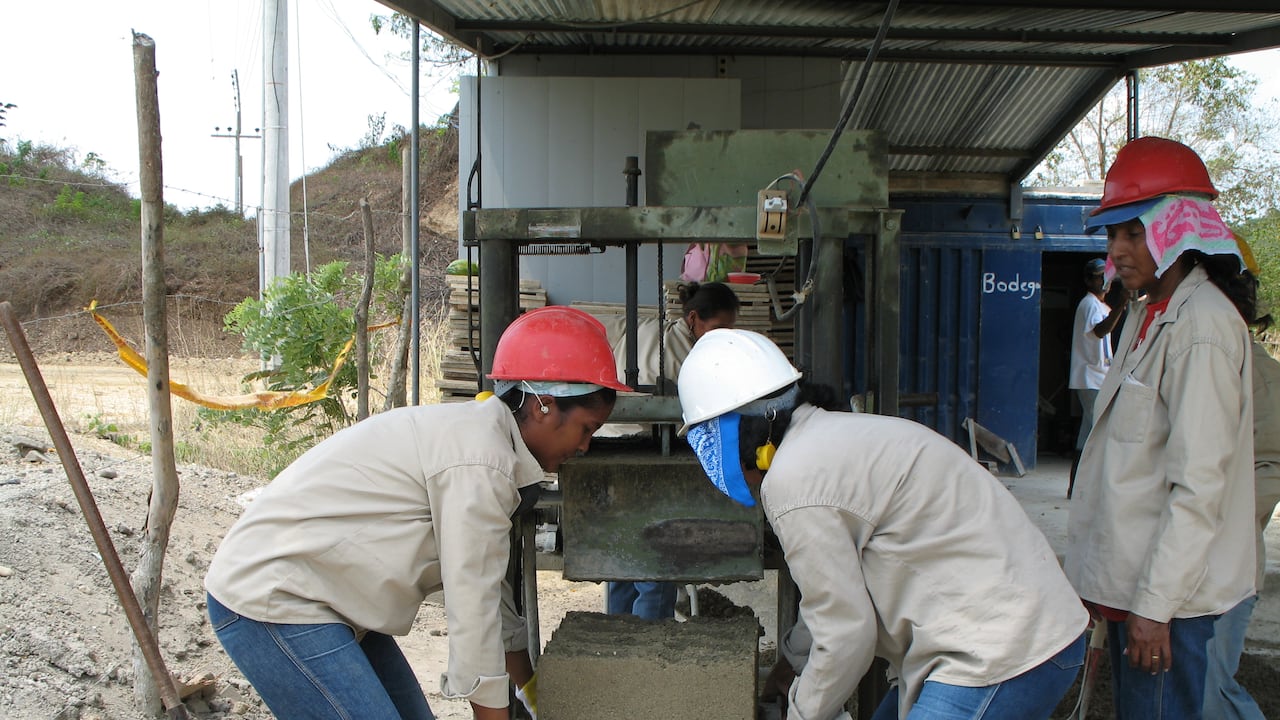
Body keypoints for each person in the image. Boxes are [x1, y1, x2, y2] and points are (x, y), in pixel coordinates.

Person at [204, 306, 629, 720]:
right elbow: (473, 611)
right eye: (586, 429)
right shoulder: (481, 463)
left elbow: (490, 593)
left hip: (327, 599)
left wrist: (531, 692)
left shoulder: (487, 446)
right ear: (544, 406)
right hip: (274, 597)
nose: (584, 447)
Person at [676, 328, 1089, 720]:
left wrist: (801, 712)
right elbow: (833, 598)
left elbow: (846, 637)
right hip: (1020, 627)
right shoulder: (828, 441)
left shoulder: (792, 480)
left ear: (731, 437)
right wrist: (791, 665)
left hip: (1000, 652)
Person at [1064, 136, 1257, 719]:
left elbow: (1199, 488)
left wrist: (1152, 609)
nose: (1116, 250)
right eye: (1111, 234)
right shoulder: (1149, 313)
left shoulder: (1201, 329)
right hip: (1135, 593)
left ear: (1178, 229)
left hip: (1172, 607)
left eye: (1133, 231)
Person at [606, 280, 739, 620]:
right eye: (718, 327)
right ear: (694, 319)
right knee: (656, 566)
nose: (724, 336)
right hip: (642, 458)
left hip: (610, 454)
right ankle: (648, 656)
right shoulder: (682, 354)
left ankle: (616, 644)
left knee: (623, 560)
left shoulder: (651, 331)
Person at [1203, 312, 1280, 719]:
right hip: (1174, 566)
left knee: (1210, 691)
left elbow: (1273, 466)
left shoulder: (1257, 373)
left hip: (1225, 570)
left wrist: (1211, 518)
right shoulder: (1187, 354)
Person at [1067, 256, 1126, 498]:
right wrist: (1122, 306)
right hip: (1091, 377)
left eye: (1104, 276)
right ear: (1088, 280)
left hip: (1096, 376)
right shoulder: (1090, 304)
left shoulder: (1100, 306)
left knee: (1087, 433)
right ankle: (1087, 487)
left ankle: (1076, 486)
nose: (1102, 281)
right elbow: (1100, 331)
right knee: (1098, 433)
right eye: (1097, 277)